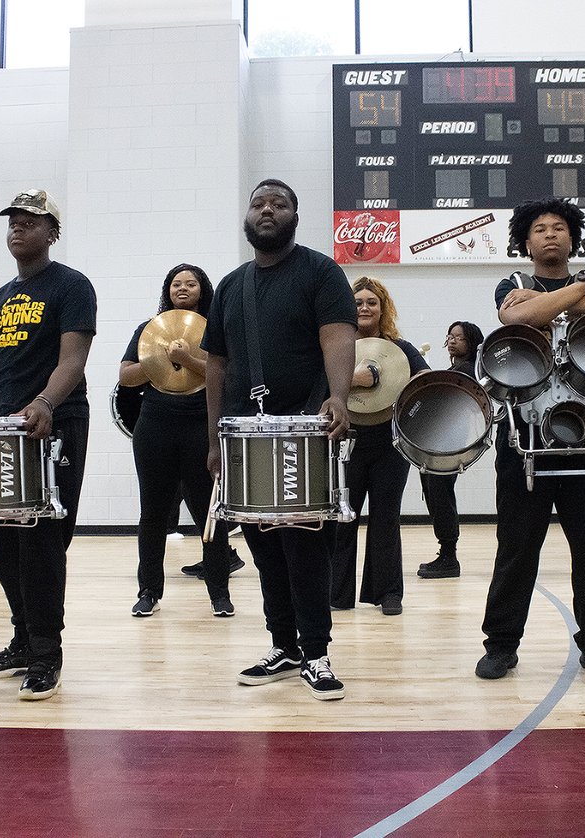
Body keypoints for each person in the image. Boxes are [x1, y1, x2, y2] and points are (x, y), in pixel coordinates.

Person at [203, 179, 356, 700]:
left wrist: (336, 396)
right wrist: (214, 439)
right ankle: (285, 645)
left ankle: (316, 651)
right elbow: (216, 366)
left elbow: (338, 336)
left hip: (303, 429)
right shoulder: (230, 285)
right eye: (258, 203)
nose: (267, 210)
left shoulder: (320, 272)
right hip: (245, 431)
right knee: (265, 544)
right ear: (247, 217)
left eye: (279, 203)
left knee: (305, 545)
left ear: (295, 215)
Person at [476, 197, 585, 683]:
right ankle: (501, 645)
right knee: (517, 548)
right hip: (524, 438)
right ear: (525, 242)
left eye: (559, 227)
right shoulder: (514, 285)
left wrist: (554, 302)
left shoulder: (559, 288)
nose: (550, 234)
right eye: (540, 229)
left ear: (573, 237)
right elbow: (515, 320)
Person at [0, 189, 97, 700]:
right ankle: (22, 640)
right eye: (13, 222)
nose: (18, 228)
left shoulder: (71, 286)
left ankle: (47, 653)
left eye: (30, 222)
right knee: (2, 540)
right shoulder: (0, 298)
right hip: (2, 431)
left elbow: (73, 359)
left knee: (42, 543)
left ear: (52, 233)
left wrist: (44, 401)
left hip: (55, 422)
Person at [119, 263, 235, 618]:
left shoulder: (217, 329)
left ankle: (219, 593)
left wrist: (185, 358)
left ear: (203, 290)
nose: (182, 288)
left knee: (209, 513)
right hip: (155, 424)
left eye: (191, 283)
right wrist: (158, 360)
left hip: (201, 425)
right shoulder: (148, 329)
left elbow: (226, 376)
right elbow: (125, 377)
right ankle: (149, 591)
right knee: (152, 514)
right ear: (167, 290)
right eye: (176, 283)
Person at [330, 277, 429, 615]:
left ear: (382, 308)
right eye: (358, 302)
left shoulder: (401, 348)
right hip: (346, 443)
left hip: (390, 446)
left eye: (372, 302)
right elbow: (318, 384)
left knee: (385, 520)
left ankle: (388, 593)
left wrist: (406, 382)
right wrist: (353, 379)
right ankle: (337, 594)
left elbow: (425, 380)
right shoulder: (334, 347)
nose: (364, 308)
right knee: (342, 519)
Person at [417, 320, 485, 579]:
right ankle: (446, 554)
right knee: (436, 493)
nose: (453, 340)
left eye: (460, 337)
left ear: (471, 343)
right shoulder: (456, 369)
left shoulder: (467, 370)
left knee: (440, 493)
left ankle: (449, 557)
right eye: (450, 336)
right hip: (441, 442)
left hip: (449, 443)